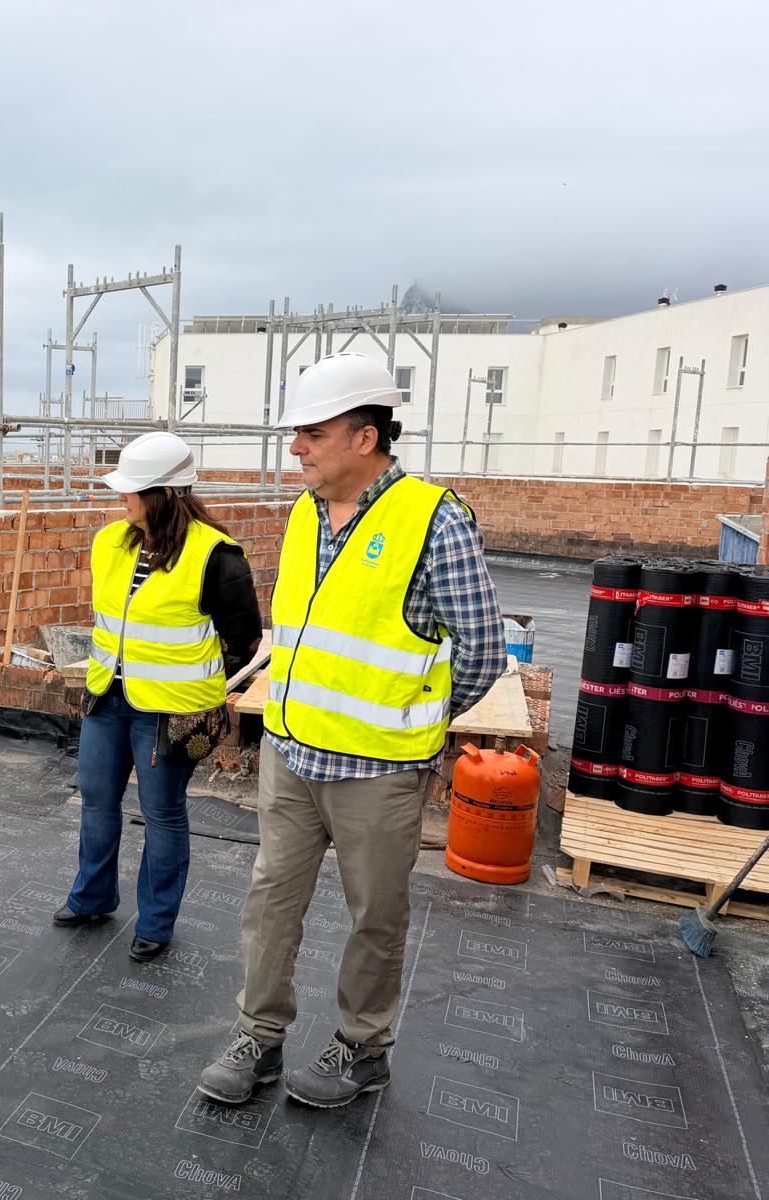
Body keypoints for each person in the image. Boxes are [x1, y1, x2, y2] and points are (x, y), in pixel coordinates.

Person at [198, 352, 507, 1110]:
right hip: (294, 752)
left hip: (378, 771)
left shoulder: (433, 520)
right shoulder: (303, 512)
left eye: (311, 431)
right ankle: (259, 1037)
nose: (297, 447)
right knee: (271, 901)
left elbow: (484, 649)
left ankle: (363, 1049)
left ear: (365, 437)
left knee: (376, 914)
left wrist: (416, 721)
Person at [54, 430, 262, 962]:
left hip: (170, 713)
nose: (120, 498)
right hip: (107, 698)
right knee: (97, 799)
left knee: (162, 812)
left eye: (132, 490)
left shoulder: (217, 557)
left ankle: (156, 922)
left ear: (166, 494)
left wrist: (199, 692)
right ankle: (92, 898)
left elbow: (243, 641)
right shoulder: (109, 542)